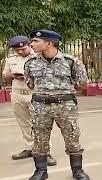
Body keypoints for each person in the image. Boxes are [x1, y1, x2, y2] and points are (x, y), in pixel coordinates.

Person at [24, 29, 90, 180]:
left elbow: (82, 84)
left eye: (35, 41)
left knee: (72, 137)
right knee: (39, 138)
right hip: (40, 106)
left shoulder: (71, 61)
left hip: (65, 105)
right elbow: (30, 84)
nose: (32, 44)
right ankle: (41, 171)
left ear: (48, 43)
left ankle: (77, 171)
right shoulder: (30, 63)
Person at [2, 36, 57, 166]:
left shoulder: (39, 58)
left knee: (40, 124)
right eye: (17, 50)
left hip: (34, 94)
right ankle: (30, 148)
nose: (20, 52)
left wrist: (27, 76)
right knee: (24, 123)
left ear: (29, 45)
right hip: (17, 94)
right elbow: (5, 75)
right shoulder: (10, 60)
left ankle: (45, 152)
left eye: (22, 49)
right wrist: (12, 75)